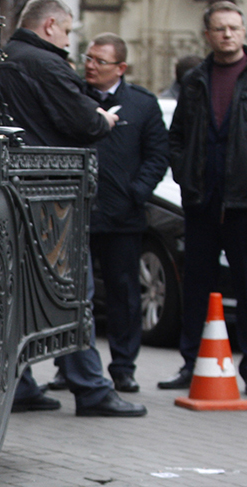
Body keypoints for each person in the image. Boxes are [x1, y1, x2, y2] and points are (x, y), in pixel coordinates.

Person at [0, 0, 147, 417]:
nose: (68, 41)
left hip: (9, 192)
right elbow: (85, 124)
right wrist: (105, 122)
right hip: (53, 197)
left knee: (16, 293)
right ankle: (91, 388)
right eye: (67, 31)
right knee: (74, 291)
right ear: (49, 26)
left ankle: (19, 383)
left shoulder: (2, 59)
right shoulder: (47, 64)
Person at [160, 1, 247, 396]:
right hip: (202, 201)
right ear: (208, 35)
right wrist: (184, 175)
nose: (228, 34)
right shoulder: (196, 81)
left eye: (234, 27)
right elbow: (177, 136)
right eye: (220, 28)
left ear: (244, 30)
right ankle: (191, 362)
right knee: (197, 284)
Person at [84, 33, 170, 393]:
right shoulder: (75, 100)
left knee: (123, 293)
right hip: (80, 214)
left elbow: (157, 155)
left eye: (99, 61)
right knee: (76, 295)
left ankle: (123, 366)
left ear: (120, 67)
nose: (90, 66)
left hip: (123, 218)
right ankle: (72, 363)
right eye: (87, 58)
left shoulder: (142, 104)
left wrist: (137, 193)